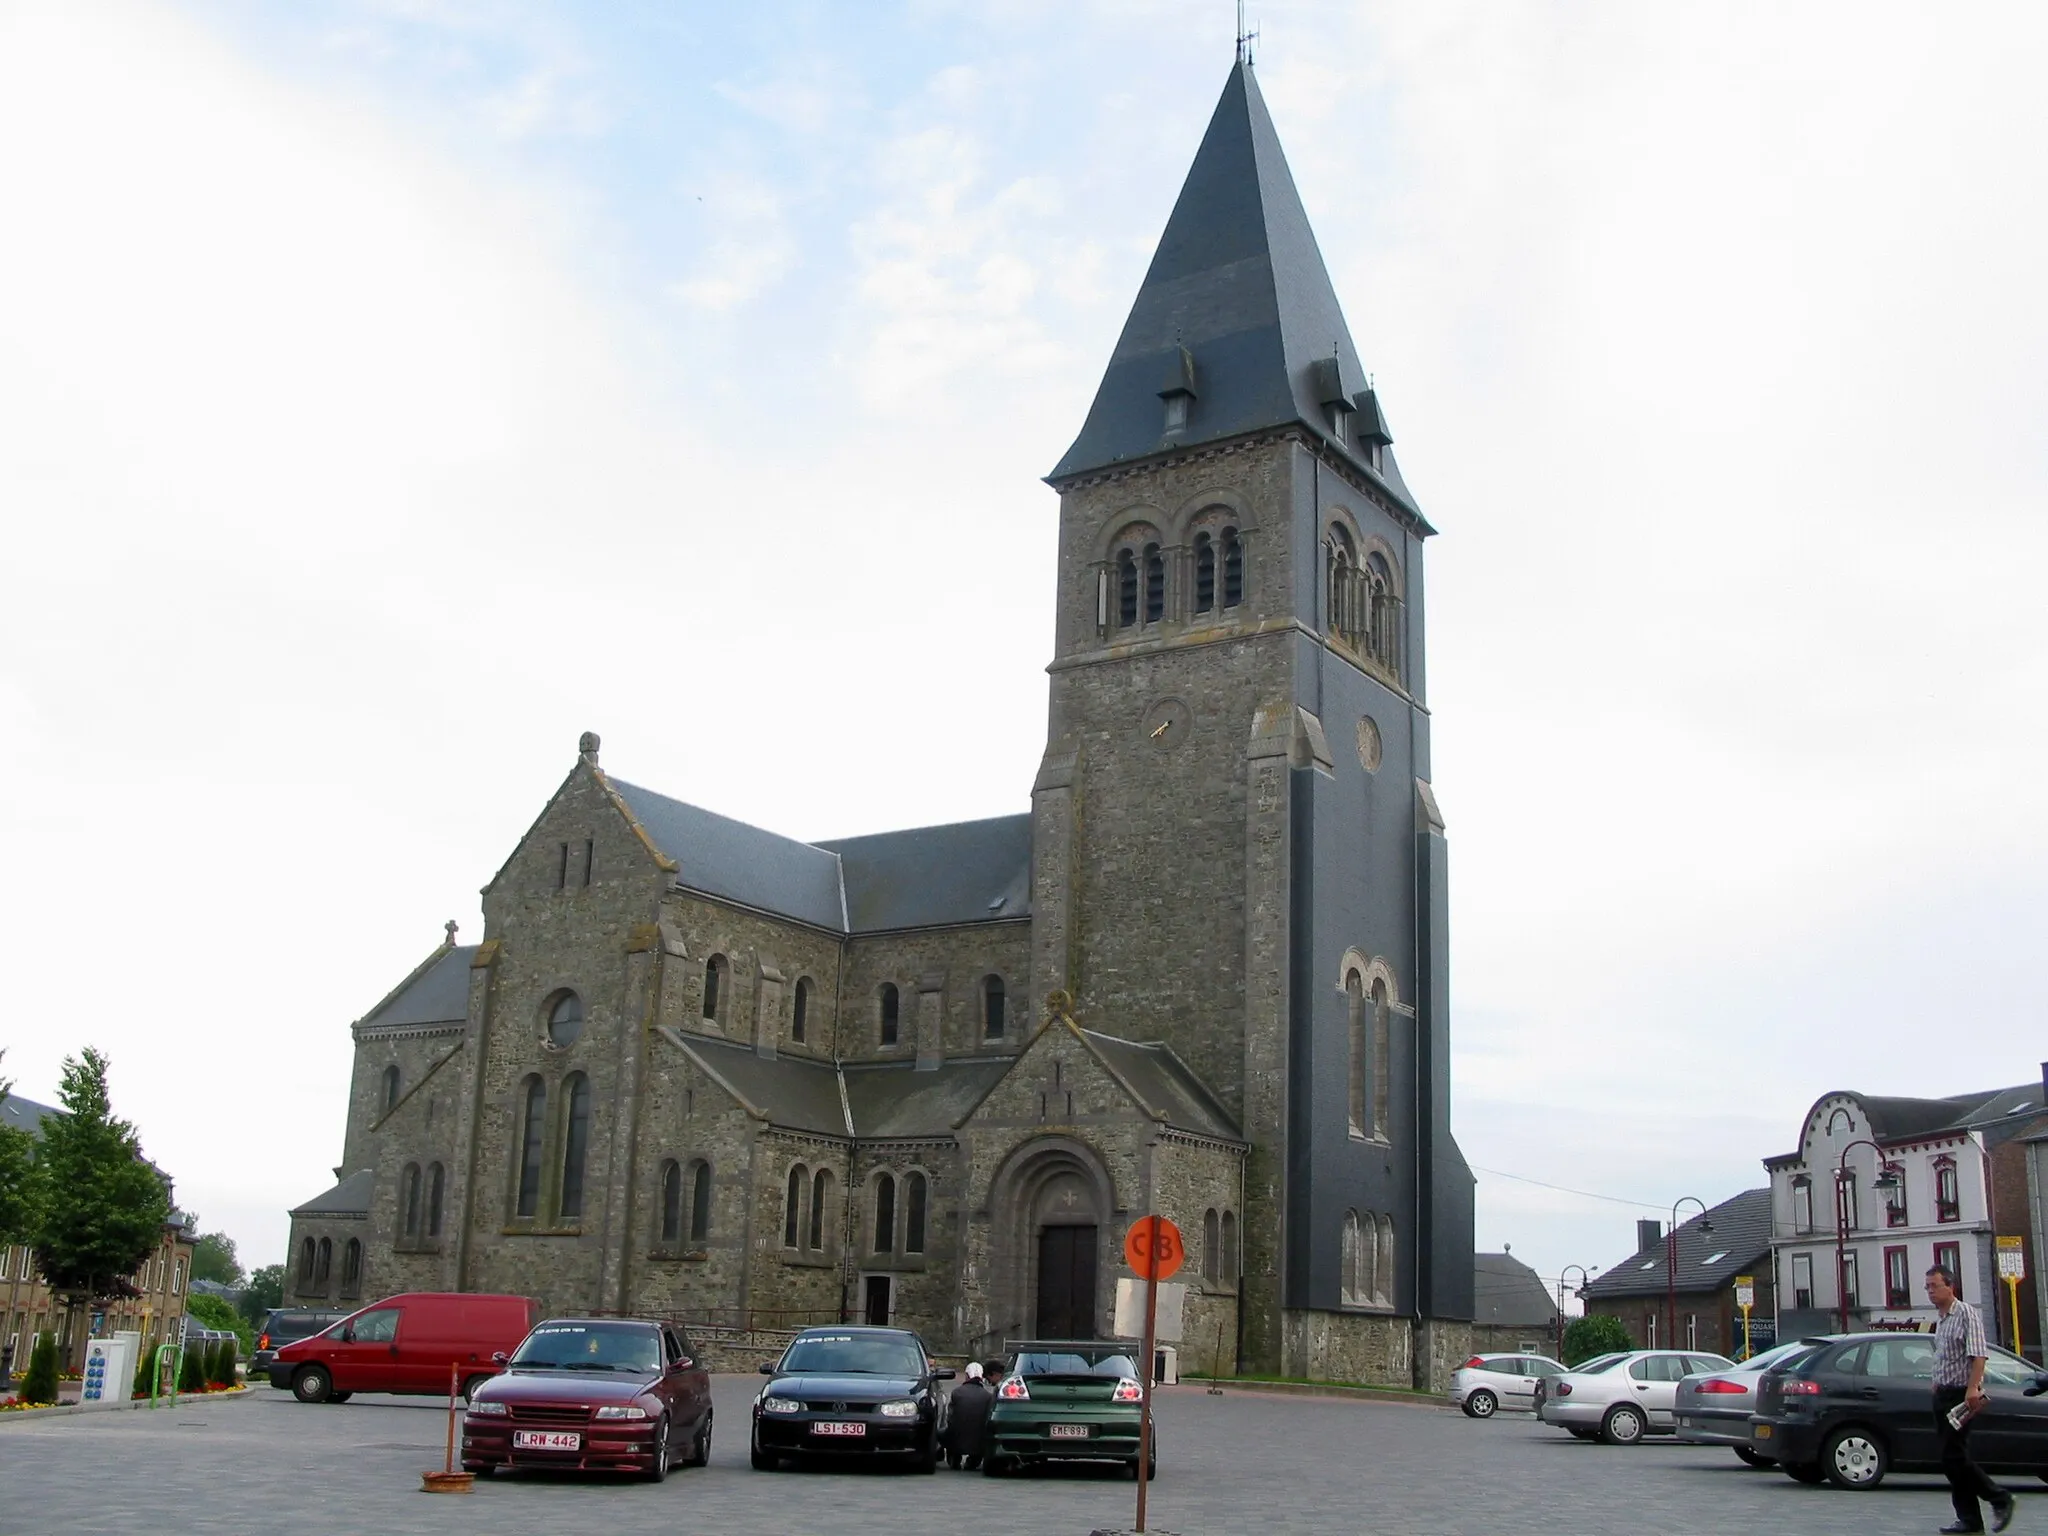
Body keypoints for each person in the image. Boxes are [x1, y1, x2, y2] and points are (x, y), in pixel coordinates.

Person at [1926, 1264, 2015, 1534]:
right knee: (1949, 1459)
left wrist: (1973, 1388)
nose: (1930, 1292)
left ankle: (2000, 1498)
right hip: (1942, 1393)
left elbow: (1978, 1355)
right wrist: (1936, 1381)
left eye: (1934, 1286)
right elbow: (1944, 1355)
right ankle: (1969, 1519)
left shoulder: (1966, 1314)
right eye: (1927, 1287)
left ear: (1950, 1286)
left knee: (1955, 1456)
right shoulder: (1940, 1318)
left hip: (1961, 1395)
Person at [943, 1360, 994, 1470]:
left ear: (966, 1376)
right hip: (978, 1440)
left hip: (957, 1438)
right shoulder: (988, 1396)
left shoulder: (956, 1392)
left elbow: (950, 1417)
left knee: (944, 1430)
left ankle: (954, 1458)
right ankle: (973, 1460)